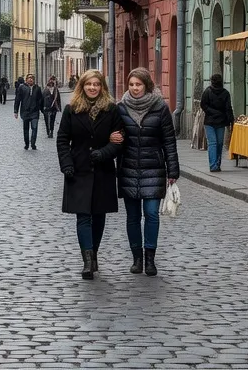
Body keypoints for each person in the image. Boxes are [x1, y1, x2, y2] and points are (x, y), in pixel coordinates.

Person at [57, 69, 125, 280]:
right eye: (89, 84)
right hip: (78, 171)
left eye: (96, 84)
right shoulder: (72, 109)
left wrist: (103, 153)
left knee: (98, 216)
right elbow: (62, 140)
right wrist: (66, 164)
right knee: (83, 216)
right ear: (82, 86)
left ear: (102, 87)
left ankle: (94, 252)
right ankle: (87, 261)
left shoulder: (112, 110)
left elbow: (120, 139)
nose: (93, 88)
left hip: (103, 171)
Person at [117, 68, 180, 276]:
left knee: (152, 214)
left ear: (147, 85)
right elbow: (114, 138)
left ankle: (150, 259)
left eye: (139, 84)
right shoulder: (121, 108)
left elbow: (169, 141)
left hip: (153, 168)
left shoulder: (160, 107)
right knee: (133, 217)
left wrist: (173, 170)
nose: (135, 88)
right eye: (132, 84)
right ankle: (137, 258)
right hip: (128, 169)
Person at [200, 74, 235, 172]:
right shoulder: (225, 93)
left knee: (213, 143)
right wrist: (231, 122)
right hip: (221, 122)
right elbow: (228, 109)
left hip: (209, 122)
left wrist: (211, 112)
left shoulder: (207, 91)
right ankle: (216, 164)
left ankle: (213, 165)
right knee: (219, 143)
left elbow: (203, 105)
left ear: (212, 82)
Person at [14, 73, 46, 150]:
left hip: (34, 112)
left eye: (32, 78)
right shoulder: (22, 88)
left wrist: (43, 110)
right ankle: (27, 144)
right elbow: (18, 99)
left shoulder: (37, 88)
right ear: (26, 79)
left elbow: (40, 100)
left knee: (34, 128)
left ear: (34, 80)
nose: (30, 79)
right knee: (26, 129)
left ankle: (33, 143)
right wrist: (16, 111)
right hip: (25, 112)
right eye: (29, 78)